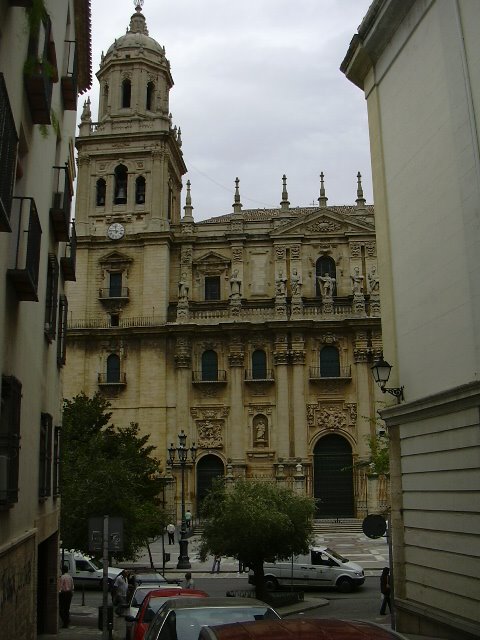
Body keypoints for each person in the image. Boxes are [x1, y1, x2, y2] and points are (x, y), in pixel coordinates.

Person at [58, 564, 74, 628]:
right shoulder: (70, 577)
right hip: (69, 593)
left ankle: (65, 621)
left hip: (63, 594)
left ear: (62, 570)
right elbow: (72, 586)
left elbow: (60, 586)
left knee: (61, 609)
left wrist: (59, 593)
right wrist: (72, 592)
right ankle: (66, 622)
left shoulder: (62, 577)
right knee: (67, 608)